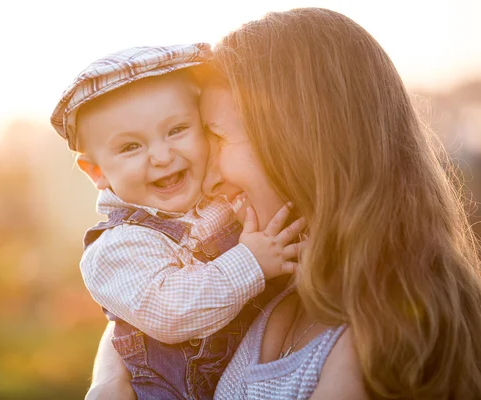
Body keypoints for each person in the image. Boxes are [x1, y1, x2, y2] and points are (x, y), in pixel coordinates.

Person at [86, 8, 481, 399]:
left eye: (216, 137)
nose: (204, 172)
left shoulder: (369, 349)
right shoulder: (278, 279)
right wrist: (110, 374)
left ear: (300, 149)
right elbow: (152, 301)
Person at [50, 44, 306, 400]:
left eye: (177, 130)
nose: (162, 155)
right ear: (96, 171)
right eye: (130, 147)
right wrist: (250, 262)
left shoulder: (218, 197)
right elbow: (170, 314)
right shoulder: (118, 247)